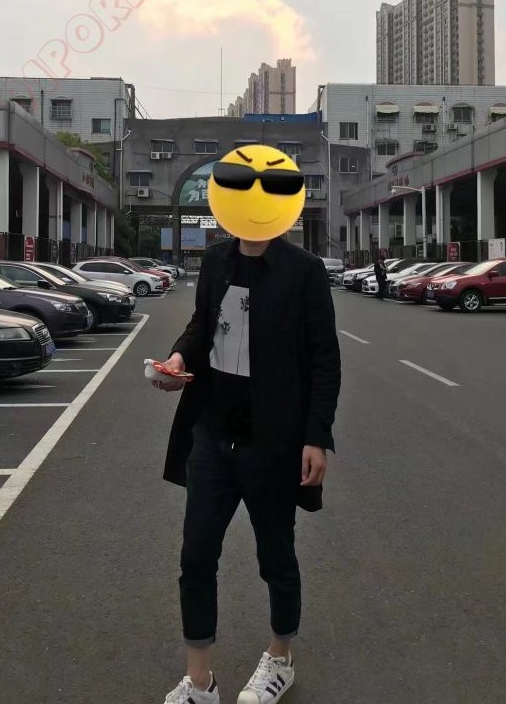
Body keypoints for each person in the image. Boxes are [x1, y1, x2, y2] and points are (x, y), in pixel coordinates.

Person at [154, 233, 341, 703]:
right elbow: (203, 324)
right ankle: (200, 681)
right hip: (212, 435)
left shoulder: (303, 270)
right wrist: (179, 357)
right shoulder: (217, 260)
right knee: (196, 557)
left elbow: (324, 358)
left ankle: (280, 659)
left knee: (276, 557)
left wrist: (316, 436)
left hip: (272, 443)